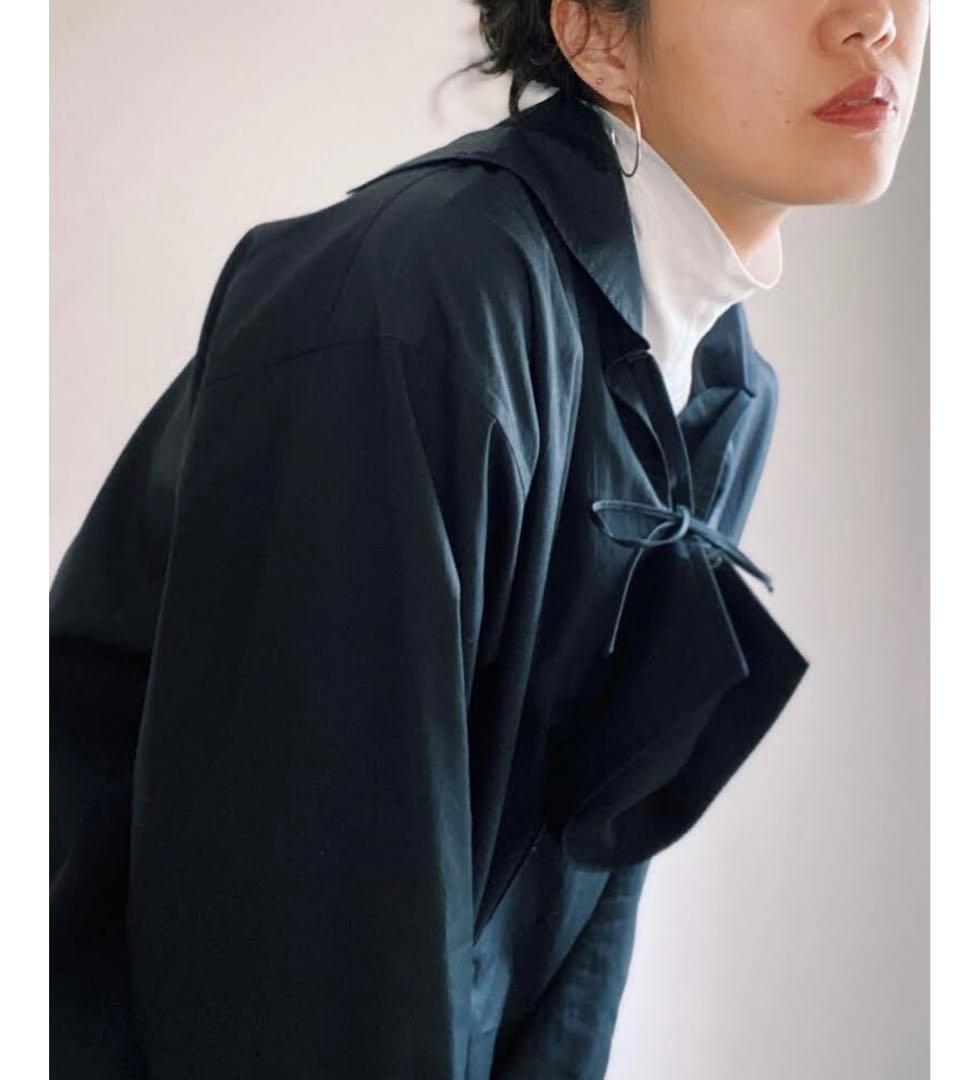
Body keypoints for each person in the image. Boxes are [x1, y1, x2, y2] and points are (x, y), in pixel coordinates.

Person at [50, 1, 929, 1077]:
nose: (874, 21)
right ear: (599, 33)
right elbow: (298, 951)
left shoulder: (721, 382)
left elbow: (584, 909)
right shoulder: (411, 296)